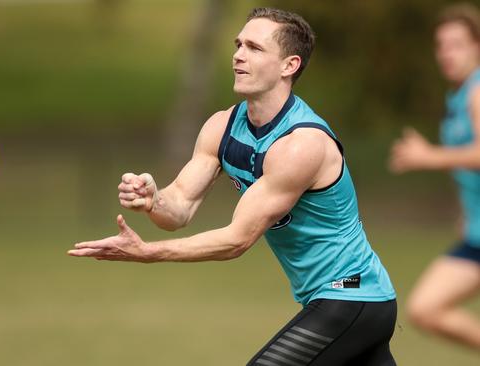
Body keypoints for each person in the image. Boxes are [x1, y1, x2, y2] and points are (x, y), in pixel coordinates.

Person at [70, 7, 397, 366]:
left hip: (351, 296)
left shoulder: (301, 143)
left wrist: (149, 252)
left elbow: (237, 240)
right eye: (238, 44)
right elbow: (179, 209)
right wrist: (154, 199)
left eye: (255, 48)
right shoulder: (222, 126)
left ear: (289, 65)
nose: (239, 55)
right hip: (341, 301)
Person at [390, 2, 480, 350]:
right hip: (476, 234)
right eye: (441, 45)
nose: (446, 54)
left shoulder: (476, 91)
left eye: (456, 44)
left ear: (477, 47)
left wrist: (429, 156)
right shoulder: (459, 95)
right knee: (425, 309)